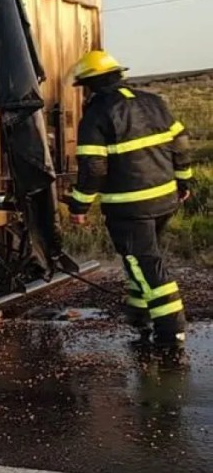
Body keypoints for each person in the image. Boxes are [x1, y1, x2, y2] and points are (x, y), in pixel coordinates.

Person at [66, 49, 193, 348]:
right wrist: (183, 179)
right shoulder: (154, 101)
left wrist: (79, 205)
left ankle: (171, 330)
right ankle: (139, 314)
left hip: (129, 206)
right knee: (139, 258)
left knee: (145, 263)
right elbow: (182, 142)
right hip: (165, 200)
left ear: (91, 83)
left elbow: (94, 168)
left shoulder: (97, 114)